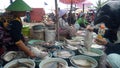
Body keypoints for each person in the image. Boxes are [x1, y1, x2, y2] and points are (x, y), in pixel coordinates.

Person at [86, 0, 120, 68]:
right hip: (113, 46)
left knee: (112, 57)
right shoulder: (115, 29)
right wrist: (93, 29)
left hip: (116, 52)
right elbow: (109, 33)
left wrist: (107, 44)